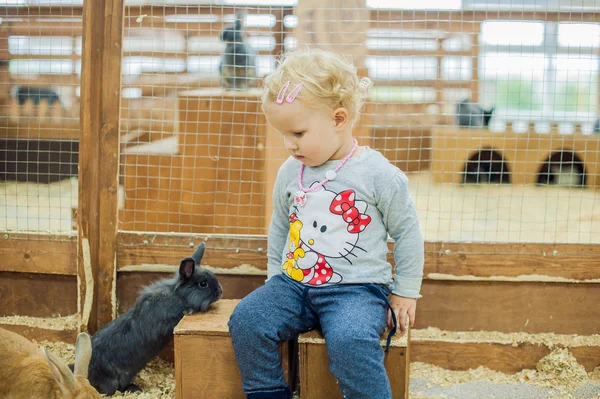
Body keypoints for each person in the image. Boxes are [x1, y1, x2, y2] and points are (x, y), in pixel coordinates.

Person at [228, 48, 424, 399]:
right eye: (283, 135)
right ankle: (268, 393)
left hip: (357, 290)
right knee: (247, 319)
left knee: (350, 340)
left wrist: (405, 290)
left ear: (338, 119)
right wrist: (275, 277)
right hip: (294, 284)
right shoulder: (291, 171)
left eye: (298, 133)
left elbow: (408, 231)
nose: (289, 145)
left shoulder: (379, 175)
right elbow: (280, 226)